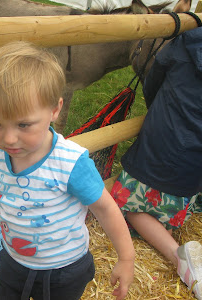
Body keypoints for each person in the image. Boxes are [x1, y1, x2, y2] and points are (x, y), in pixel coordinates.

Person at [0, 41, 135, 300]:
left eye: (23, 125)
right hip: (13, 260)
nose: (8, 139)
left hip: (63, 270)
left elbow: (105, 208)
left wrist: (127, 258)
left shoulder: (70, 163)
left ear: (54, 109)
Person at [111, 26, 202, 299]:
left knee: (125, 204)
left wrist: (159, 111)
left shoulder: (187, 41)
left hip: (160, 148)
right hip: (194, 168)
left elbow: (153, 80)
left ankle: (178, 257)